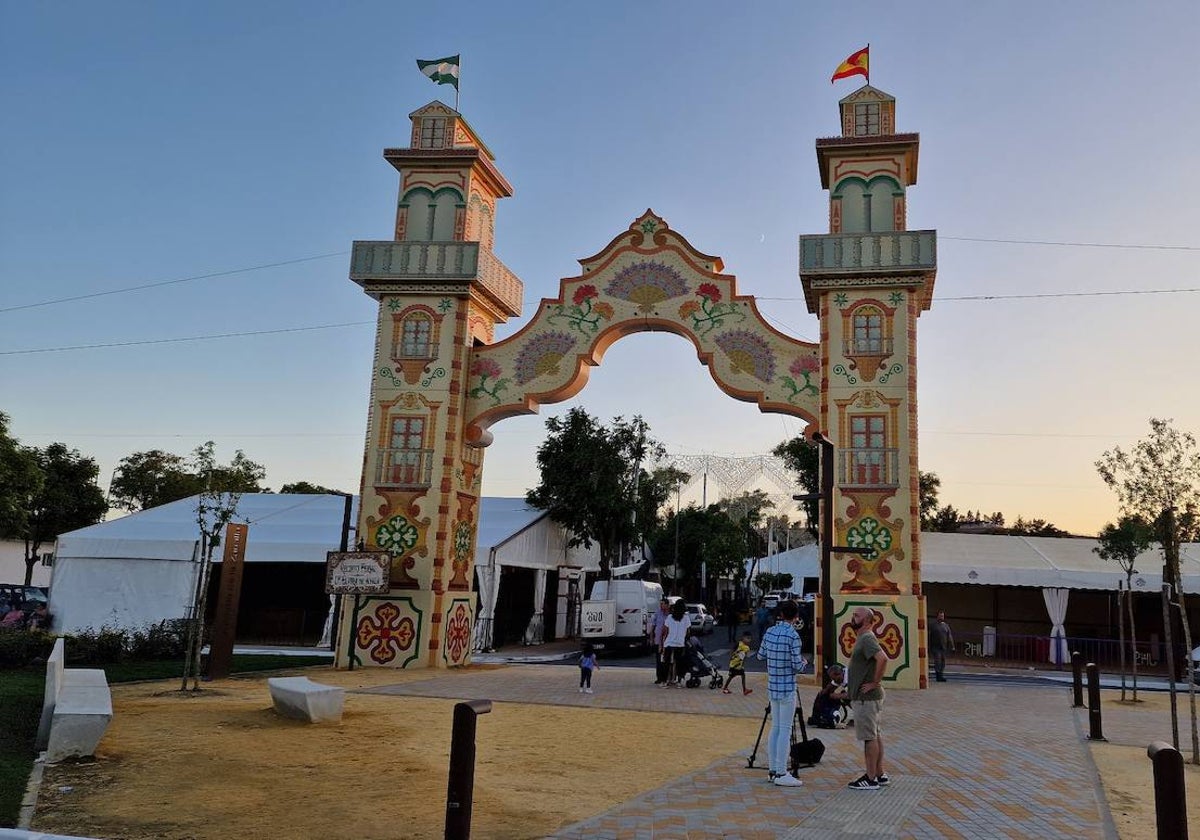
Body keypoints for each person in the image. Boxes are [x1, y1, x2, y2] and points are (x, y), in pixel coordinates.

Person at [757, 598, 805, 787]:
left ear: (780, 614)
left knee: (775, 728)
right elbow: (796, 665)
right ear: (795, 617)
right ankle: (781, 772)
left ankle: (772, 770)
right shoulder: (793, 636)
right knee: (785, 730)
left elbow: (761, 655)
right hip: (787, 687)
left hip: (772, 686)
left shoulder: (770, 632)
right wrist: (803, 663)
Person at [846, 605, 889, 791]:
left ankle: (870, 778)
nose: (853, 618)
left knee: (869, 737)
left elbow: (883, 658)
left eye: (857, 616)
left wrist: (874, 682)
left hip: (866, 698)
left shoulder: (866, 639)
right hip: (868, 698)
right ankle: (879, 774)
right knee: (875, 735)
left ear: (867, 620)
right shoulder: (864, 638)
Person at [659, 598, 691, 687]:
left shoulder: (669, 617)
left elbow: (665, 630)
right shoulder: (686, 618)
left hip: (669, 642)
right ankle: (679, 682)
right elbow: (688, 631)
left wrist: (662, 643)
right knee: (679, 663)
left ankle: (665, 681)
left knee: (666, 662)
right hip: (680, 643)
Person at [811, 663, 850, 728]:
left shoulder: (849, 677)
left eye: (835, 679)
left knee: (843, 696)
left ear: (839, 674)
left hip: (863, 694)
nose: (834, 680)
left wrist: (836, 696)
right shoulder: (839, 676)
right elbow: (830, 686)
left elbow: (851, 694)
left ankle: (860, 715)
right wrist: (822, 693)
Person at [722, 631, 753, 695]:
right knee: (732, 676)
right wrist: (731, 657)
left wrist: (742, 664)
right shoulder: (739, 644)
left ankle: (744, 689)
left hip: (739, 665)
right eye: (747, 638)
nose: (748, 640)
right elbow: (733, 650)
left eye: (750, 639)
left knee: (740, 675)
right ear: (743, 638)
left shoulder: (747, 648)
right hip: (734, 664)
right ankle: (725, 688)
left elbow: (744, 657)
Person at [649, 596, 671, 685]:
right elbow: (653, 626)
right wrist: (651, 638)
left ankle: (667, 677)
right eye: (660, 604)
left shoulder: (670, 615)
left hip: (668, 640)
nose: (661, 605)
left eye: (662, 604)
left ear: (667, 605)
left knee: (667, 660)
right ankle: (659, 677)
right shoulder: (657, 613)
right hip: (658, 640)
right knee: (659, 660)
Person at [929, 609, 954, 682]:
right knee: (938, 661)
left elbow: (949, 636)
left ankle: (941, 674)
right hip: (935, 646)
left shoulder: (946, 626)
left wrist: (952, 645)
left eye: (942, 616)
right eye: (940, 616)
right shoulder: (933, 625)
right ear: (937, 616)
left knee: (943, 662)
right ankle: (938, 676)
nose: (941, 617)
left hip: (943, 647)